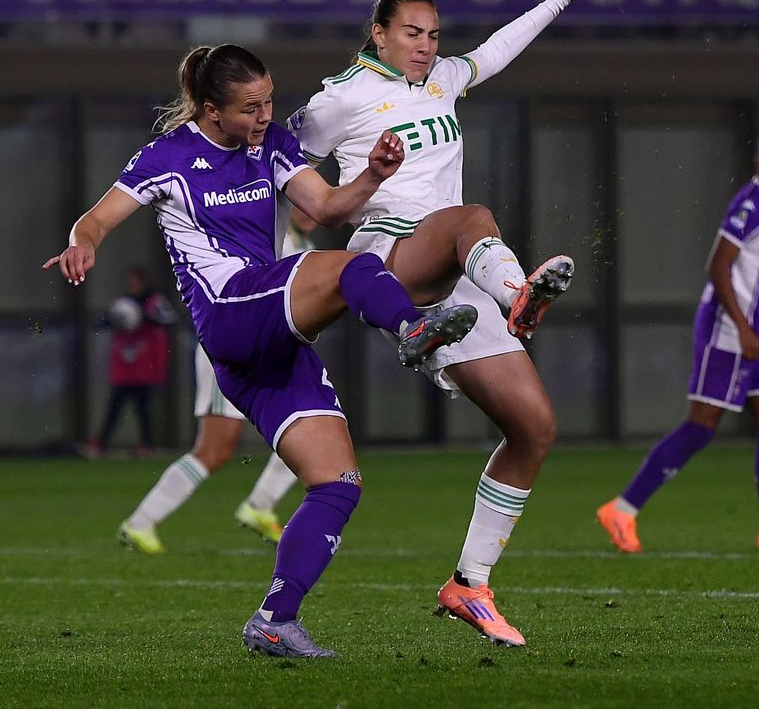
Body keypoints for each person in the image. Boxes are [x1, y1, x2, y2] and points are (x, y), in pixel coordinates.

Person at [45, 43, 478, 658]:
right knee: (351, 268)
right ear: (211, 110)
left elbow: (325, 207)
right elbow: (95, 220)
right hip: (228, 312)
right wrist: (82, 243)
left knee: (337, 484)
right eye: (250, 107)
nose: (265, 115)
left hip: (264, 336)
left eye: (269, 101)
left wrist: (373, 177)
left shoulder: (270, 142)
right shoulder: (167, 157)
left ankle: (275, 620)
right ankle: (413, 329)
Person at [288, 0, 610, 649]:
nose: (425, 46)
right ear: (378, 33)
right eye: (411, 33)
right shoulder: (340, 98)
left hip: (457, 280)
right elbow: (282, 159)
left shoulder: (442, 79)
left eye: (433, 35)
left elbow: (494, 51)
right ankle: (521, 295)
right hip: (387, 259)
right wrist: (281, 247)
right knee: (471, 217)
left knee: (534, 429)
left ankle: (469, 583)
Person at [596, 122, 759, 554]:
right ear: (758, 160)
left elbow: (756, 265)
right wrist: (741, 327)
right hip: (728, 328)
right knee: (701, 427)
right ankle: (621, 511)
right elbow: (719, 266)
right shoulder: (751, 204)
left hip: (757, 329)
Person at [116, 216, 318, 555]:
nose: (313, 211)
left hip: (271, 349)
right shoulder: (268, 232)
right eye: (306, 202)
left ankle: (260, 504)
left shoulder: (302, 244)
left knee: (312, 425)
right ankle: (140, 523)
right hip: (233, 346)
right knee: (214, 450)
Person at [82, 267, 176, 459]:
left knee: (144, 408)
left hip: (145, 366)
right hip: (125, 367)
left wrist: (144, 317)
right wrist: (113, 319)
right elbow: (100, 321)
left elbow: (169, 319)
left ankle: (147, 445)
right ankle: (101, 444)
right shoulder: (123, 303)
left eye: (135, 281)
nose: (132, 284)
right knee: (115, 407)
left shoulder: (154, 301)